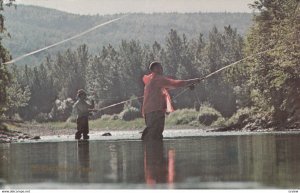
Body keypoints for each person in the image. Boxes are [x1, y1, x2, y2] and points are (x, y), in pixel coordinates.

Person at [141, 61, 200, 141]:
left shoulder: (151, 79)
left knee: (154, 133)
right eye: (159, 67)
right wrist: (193, 81)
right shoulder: (157, 78)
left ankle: (150, 150)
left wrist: (187, 85)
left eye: (161, 67)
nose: (162, 69)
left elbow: (169, 86)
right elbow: (174, 83)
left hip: (150, 111)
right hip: (155, 111)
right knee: (155, 133)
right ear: (154, 69)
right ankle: (152, 150)